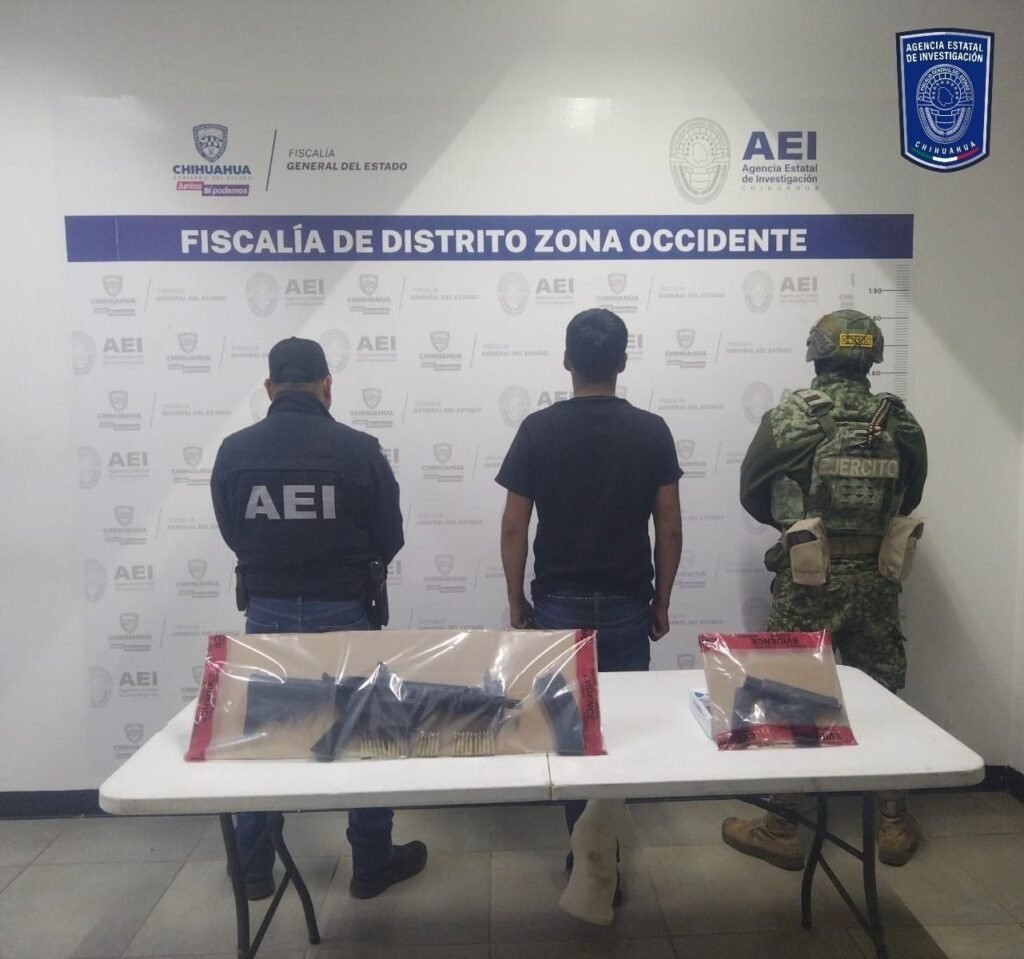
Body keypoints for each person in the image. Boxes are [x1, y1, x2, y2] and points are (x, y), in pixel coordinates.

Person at [210, 336, 427, 901]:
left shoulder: (235, 451)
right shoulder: (359, 450)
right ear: (327, 386)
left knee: (264, 738)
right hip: (345, 609)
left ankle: (253, 867)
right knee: (366, 734)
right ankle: (371, 862)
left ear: (269, 388)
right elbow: (390, 535)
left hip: (268, 610)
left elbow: (233, 532)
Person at [721, 309, 928, 869]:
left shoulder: (790, 417)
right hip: (877, 580)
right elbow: (909, 495)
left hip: (807, 578)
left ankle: (783, 827)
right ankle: (892, 823)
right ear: (871, 357)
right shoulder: (901, 423)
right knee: (885, 696)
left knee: (789, 692)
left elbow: (752, 492)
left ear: (817, 353)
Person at [496, 307, 683, 901]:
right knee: (619, 731)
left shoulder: (537, 430)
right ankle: (606, 854)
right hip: (628, 602)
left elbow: (514, 526)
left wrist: (515, 598)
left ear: (567, 360)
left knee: (573, 733)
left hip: (557, 605)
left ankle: (584, 856)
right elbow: (669, 527)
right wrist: (662, 601)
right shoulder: (651, 431)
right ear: (622, 362)